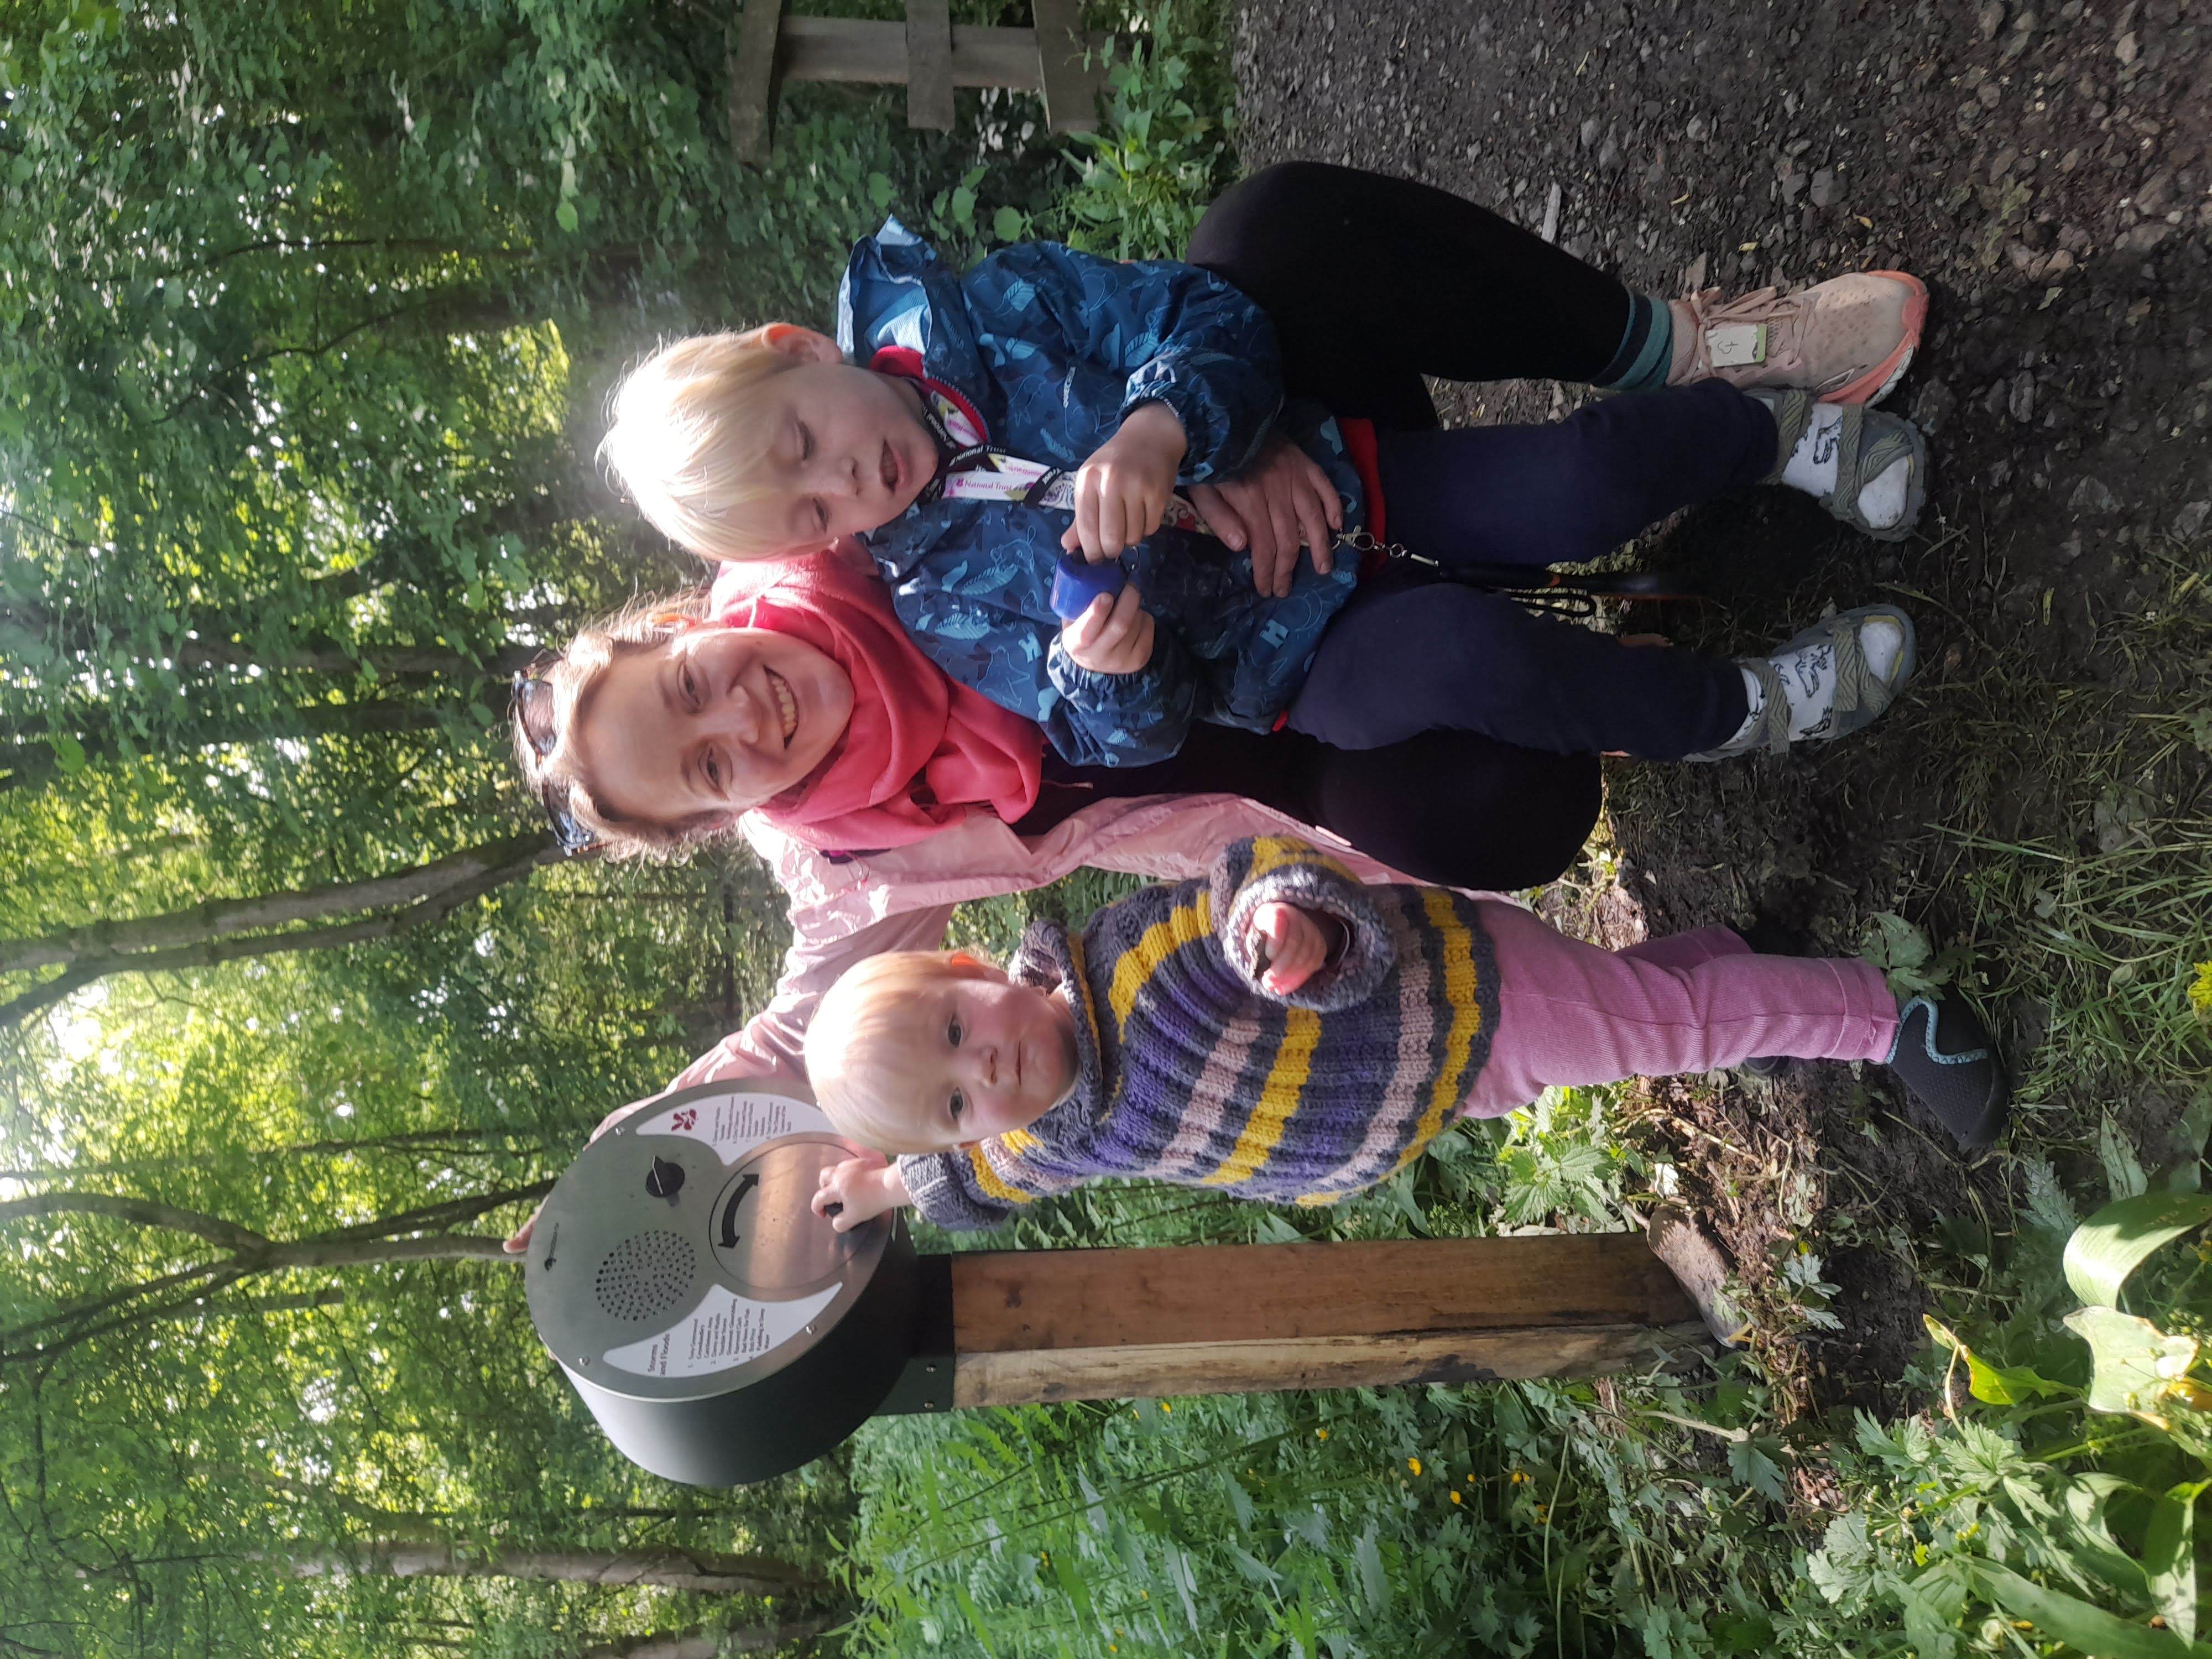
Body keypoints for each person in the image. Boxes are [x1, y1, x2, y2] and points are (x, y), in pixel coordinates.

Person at [596, 208, 1930, 769]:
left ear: (797, 352)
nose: (847, 481)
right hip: (1296, 656)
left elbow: (1205, 312)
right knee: (1469, 664)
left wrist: (1165, 429)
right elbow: (1114, 734)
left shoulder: (990, 314)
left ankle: (1775, 439)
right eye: (817, 515)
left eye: (803, 447)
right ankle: (1742, 709)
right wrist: (1105, 667)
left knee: (1577, 478)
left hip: (1345, 483)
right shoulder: (934, 592)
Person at [800, 836, 2009, 1235]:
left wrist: (1284, 923)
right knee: (1648, 1013)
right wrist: (886, 1185)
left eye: (960, 1030)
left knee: (1662, 1033)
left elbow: (1244, 882)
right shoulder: (1044, 1137)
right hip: (1421, 1093)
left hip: (1453, 997)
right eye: (957, 1097)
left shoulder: (1130, 961)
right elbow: (978, 1179)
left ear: (972, 968)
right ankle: (1733, 971)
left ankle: (1879, 1016)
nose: (986, 1072)